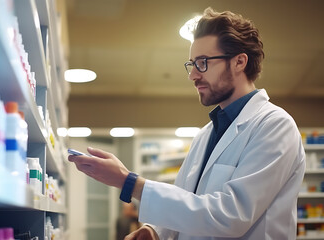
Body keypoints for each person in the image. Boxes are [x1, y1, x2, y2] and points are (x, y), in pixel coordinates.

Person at [68, 7, 305, 240]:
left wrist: (130, 182)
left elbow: (231, 216)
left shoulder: (275, 126)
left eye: (203, 62)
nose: (193, 75)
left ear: (239, 62)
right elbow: (186, 198)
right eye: (192, 64)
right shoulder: (206, 134)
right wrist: (156, 231)